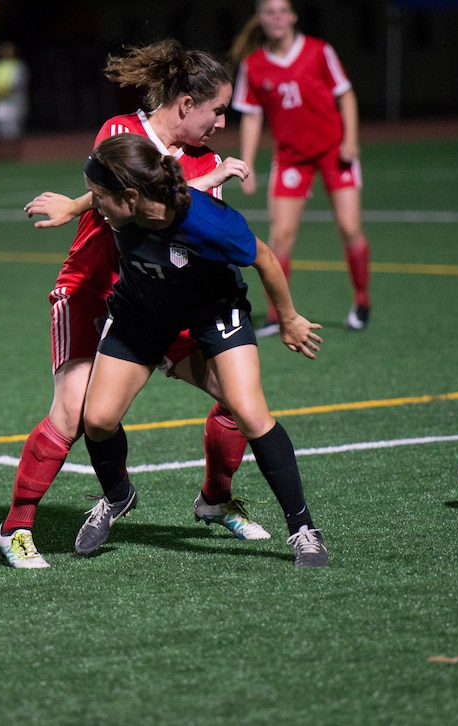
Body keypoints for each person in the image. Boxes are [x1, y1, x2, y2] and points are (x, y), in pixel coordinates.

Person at [0, 40, 267, 569]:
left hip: (153, 301)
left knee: (239, 400)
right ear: (186, 104)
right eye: (215, 112)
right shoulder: (121, 132)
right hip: (90, 290)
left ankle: (214, 500)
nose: (220, 124)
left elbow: (181, 217)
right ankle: (16, 526)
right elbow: (117, 191)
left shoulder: (204, 160)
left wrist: (206, 183)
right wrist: (75, 203)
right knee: (74, 412)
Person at [74, 133, 329, 567]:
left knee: (249, 413)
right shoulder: (126, 206)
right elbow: (114, 194)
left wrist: (287, 318)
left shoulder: (208, 223)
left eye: (98, 196)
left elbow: (264, 258)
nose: (93, 204)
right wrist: (70, 205)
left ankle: (303, 528)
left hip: (213, 311)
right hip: (140, 312)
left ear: (132, 196)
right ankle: (118, 496)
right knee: (97, 420)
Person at [230, 0, 372, 333]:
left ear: (293, 16)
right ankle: (279, 315)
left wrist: (351, 139)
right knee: (280, 236)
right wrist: (247, 161)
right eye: (269, 12)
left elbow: (346, 95)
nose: (276, 18)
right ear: (260, 19)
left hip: (334, 152)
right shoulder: (254, 65)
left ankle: (362, 300)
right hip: (292, 157)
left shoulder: (319, 51)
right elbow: (251, 115)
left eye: (282, 11)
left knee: (350, 227)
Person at [0, 41, 30, 161]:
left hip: (13, 104)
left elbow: (14, 85)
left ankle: (14, 156)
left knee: (14, 133)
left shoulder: (18, 66)